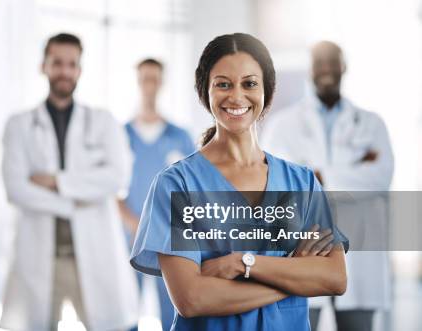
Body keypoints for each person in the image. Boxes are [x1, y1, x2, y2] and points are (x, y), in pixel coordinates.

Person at [130, 33, 349, 331]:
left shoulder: (302, 183)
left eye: (249, 83)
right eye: (223, 84)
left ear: (267, 91)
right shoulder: (177, 185)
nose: (236, 96)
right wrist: (295, 276)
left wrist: (243, 262)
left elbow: (334, 278)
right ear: (204, 91)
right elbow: (191, 298)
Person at [0, 33, 138, 331]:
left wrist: (56, 181)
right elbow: (16, 189)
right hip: (40, 257)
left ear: (79, 70)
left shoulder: (104, 122)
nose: (64, 71)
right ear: (44, 66)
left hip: (93, 253)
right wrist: (80, 199)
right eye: (57, 63)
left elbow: (117, 177)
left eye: (71, 64)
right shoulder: (20, 125)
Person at [261, 41, 394, 331]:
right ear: (310, 69)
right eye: (320, 61)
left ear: (344, 66)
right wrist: (353, 169)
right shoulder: (282, 126)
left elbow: (380, 177)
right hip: (302, 247)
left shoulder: (372, 124)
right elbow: (280, 185)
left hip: (360, 250)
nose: (327, 69)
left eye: (333, 61)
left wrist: (318, 175)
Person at [118, 58, 195, 331]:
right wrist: (136, 225)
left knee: (175, 312)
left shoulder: (180, 137)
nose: (149, 85)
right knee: (126, 314)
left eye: (154, 78)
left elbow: (191, 192)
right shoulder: (120, 136)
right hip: (129, 236)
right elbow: (110, 189)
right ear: (137, 82)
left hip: (169, 239)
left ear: (162, 83)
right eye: (144, 79)